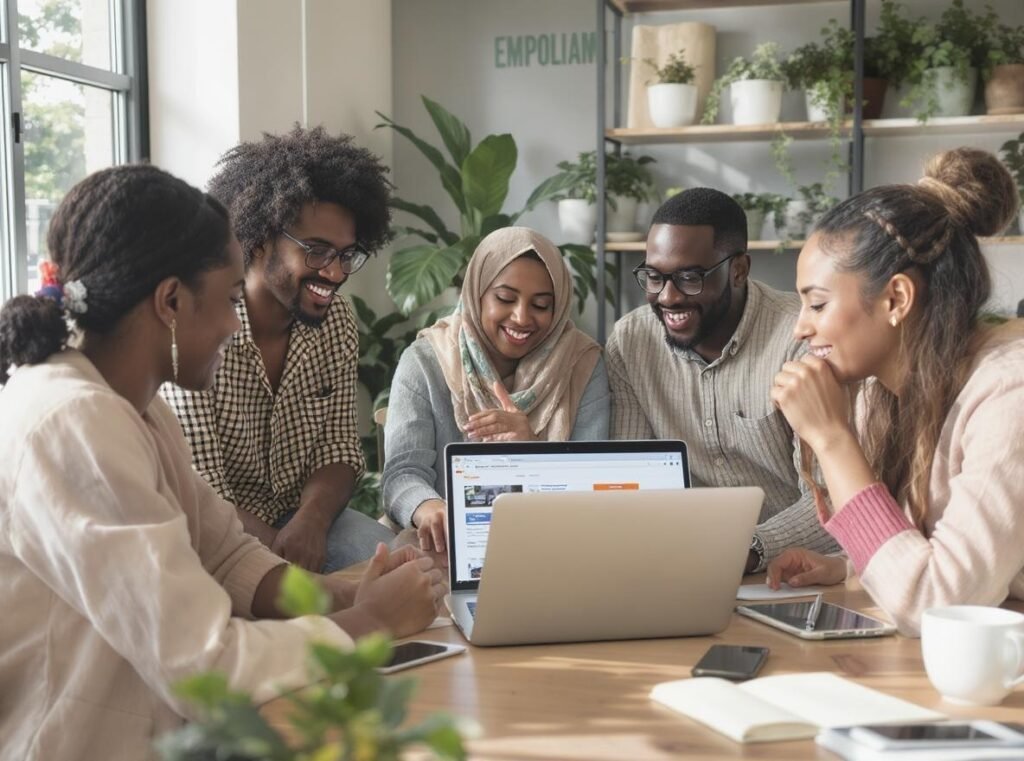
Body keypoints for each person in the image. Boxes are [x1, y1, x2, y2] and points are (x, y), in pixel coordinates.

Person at [0, 165, 444, 761]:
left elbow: (226, 552)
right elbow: (203, 663)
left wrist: (338, 597)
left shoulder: (134, 405)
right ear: (170, 301)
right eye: (232, 299)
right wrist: (369, 627)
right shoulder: (74, 421)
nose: (237, 323)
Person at [766, 148, 1024, 636]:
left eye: (817, 304)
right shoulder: (881, 395)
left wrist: (831, 438)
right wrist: (852, 568)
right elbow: (946, 554)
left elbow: (937, 605)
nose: (800, 328)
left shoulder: (1010, 393)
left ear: (896, 298)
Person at [162, 125, 394, 573]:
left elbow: (339, 449)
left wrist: (310, 522)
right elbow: (201, 491)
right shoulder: (199, 328)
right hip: (213, 529)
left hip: (309, 521)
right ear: (261, 237)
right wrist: (284, 558)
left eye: (347, 254)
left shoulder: (336, 321)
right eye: (317, 251)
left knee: (403, 570)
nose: (335, 273)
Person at [605, 188, 838, 572]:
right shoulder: (631, 342)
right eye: (654, 276)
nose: (668, 297)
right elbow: (631, 482)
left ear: (739, 270)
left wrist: (744, 551)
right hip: (675, 569)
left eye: (689, 277)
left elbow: (834, 498)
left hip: (794, 574)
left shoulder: (801, 338)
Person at [383, 226, 610, 553]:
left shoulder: (581, 363)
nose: (521, 317)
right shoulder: (426, 361)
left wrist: (532, 450)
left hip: (556, 547)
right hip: (445, 548)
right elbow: (403, 473)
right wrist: (429, 507)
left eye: (542, 305)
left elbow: (594, 485)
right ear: (477, 293)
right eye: (505, 298)